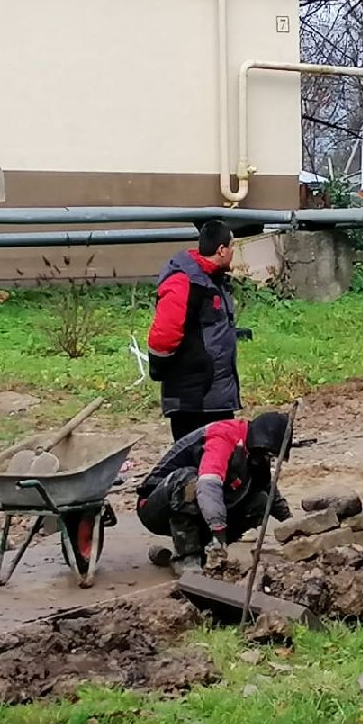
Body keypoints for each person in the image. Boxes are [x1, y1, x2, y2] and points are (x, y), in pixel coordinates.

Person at [135, 411, 293, 574]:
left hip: (197, 506)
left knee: (259, 501)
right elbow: (207, 486)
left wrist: (292, 526)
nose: (265, 458)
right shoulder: (224, 435)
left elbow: (267, 487)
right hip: (154, 506)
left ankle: (206, 549)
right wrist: (218, 530)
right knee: (188, 482)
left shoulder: (255, 452)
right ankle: (187, 558)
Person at [147, 218, 242, 441]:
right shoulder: (185, 281)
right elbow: (164, 335)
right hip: (194, 400)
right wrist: (158, 368)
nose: (233, 254)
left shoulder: (213, 280)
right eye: (232, 248)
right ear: (221, 250)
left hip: (214, 398)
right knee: (193, 464)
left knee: (219, 461)